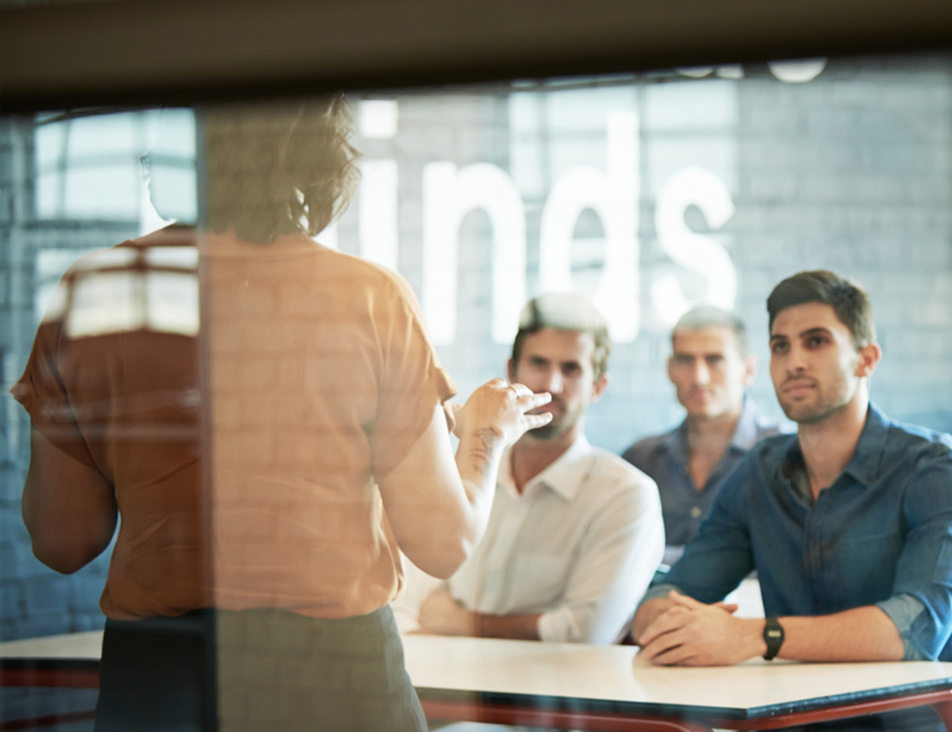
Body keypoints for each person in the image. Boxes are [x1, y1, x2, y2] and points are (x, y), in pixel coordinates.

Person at [14, 96, 551, 732]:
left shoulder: (94, 294)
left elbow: (62, 541)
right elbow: (444, 541)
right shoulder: (369, 300)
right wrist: (488, 431)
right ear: (315, 157)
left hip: (159, 679)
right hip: (335, 676)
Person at [631, 270, 952, 732]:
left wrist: (755, 635)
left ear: (866, 359)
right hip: (793, 722)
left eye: (816, 342)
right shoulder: (760, 471)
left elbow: (914, 631)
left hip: (919, 723)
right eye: (781, 346)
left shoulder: (938, 469)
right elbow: (660, 600)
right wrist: (671, 622)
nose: (793, 361)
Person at [399, 293, 665, 645]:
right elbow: (410, 599)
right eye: (539, 363)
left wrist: (465, 623)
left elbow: (586, 631)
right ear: (512, 371)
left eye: (571, 369)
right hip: (447, 693)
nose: (552, 384)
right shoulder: (462, 473)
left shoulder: (626, 495)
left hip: (556, 698)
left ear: (598, 387)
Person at [622, 305, 787, 552]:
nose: (699, 377)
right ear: (670, 369)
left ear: (748, 369)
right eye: (685, 360)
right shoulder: (641, 461)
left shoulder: (786, 454)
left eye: (714, 360)